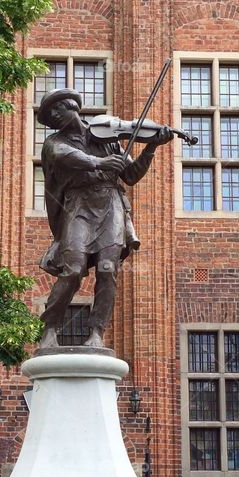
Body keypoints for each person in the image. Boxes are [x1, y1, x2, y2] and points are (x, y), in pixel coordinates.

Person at [36, 87, 173, 350]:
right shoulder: (53, 142)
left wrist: (151, 148)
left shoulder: (107, 135)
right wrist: (99, 163)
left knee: (107, 270)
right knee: (73, 269)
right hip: (77, 206)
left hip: (111, 205)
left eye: (55, 109)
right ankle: (50, 327)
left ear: (72, 107)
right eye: (47, 114)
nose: (52, 116)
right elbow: (65, 156)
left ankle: (96, 332)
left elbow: (130, 175)